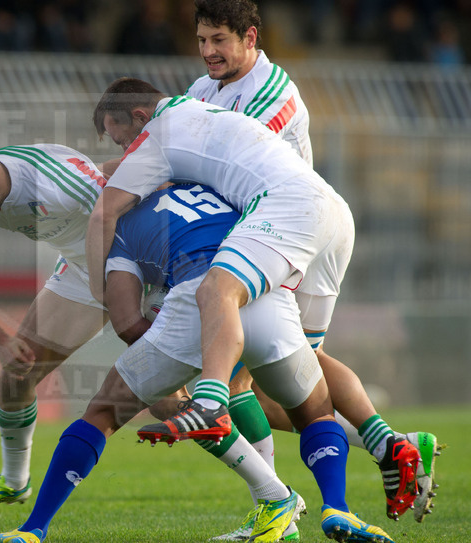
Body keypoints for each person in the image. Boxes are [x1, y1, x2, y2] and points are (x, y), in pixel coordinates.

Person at [0, 184, 391, 543]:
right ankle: (337, 503)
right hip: (266, 289)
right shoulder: (214, 192)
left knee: (104, 411)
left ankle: (32, 531)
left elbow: (127, 320)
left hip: (199, 297)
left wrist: (163, 363)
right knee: (312, 409)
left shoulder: (118, 230)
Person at [86, 77, 392, 542]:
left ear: (140, 119)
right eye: (203, 39)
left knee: (216, 296)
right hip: (327, 213)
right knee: (304, 378)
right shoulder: (203, 104)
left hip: (286, 211)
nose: (128, 151)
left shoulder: (171, 131)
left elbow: (103, 211)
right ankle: (373, 464)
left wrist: (97, 288)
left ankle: (216, 412)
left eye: (123, 139)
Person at [183, 0, 438, 529]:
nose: (208, 52)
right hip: (283, 232)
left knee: (261, 380)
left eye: (219, 41)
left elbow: (221, 169)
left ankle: (277, 511)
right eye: (202, 40)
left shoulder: (271, 94)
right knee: (288, 374)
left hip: (295, 234)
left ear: (250, 37)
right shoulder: (203, 90)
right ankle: (391, 446)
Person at [0, 133, 130, 517]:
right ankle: (13, 481)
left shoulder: (57, 182)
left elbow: (130, 204)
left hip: (136, 263)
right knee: (16, 376)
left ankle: (272, 495)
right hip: (81, 269)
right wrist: (0, 340)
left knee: (172, 404)